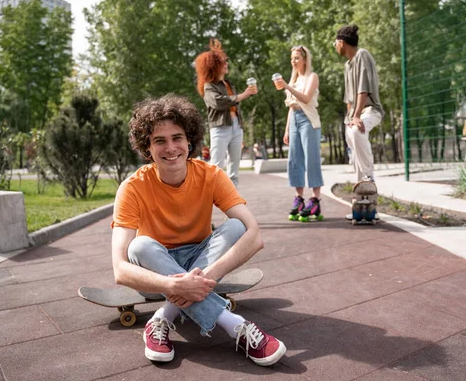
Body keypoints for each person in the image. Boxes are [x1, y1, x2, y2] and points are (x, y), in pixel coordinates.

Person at [111, 94, 286, 366]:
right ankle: (235, 325)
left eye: (177, 137)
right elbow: (120, 269)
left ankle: (163, 317)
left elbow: (255, 235)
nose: (171, 147)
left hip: (203, 262)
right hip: (156, 273)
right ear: (148, 148)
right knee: (140, 245)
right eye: (160, 140)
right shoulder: (132, 187)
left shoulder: (212, 175)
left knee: (236, 226)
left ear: (189, 140)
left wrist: (204, 278)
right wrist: (173, 284)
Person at [334, 25, 384, 220]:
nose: (335, 47)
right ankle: (361, 199)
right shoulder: (347, 65)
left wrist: (355, 117)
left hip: (371, 110)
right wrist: (350, 118)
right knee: (352, 136)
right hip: (355, 113)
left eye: (335, 43)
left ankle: (368, 177)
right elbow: (349, 99)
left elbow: (363, 91)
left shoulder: (363, 55)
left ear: (342, 42)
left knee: (356, 132)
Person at [194, 40, 257, 187]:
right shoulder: (209, 86)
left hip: (236, 126)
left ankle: (232, 196)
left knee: (234, 165)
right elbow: (218, 102)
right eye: (223, 62)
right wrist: (243, 95)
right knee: (216, 164)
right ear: (214, 66)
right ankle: (211, 194)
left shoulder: (228, 84)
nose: (226, 64)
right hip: (220, 127)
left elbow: (232, 103)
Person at [275, 45, 324, 220]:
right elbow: (291, 106)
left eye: (296, 58)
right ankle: (299, 199)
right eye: (292, 58)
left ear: (304, 59)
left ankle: (316, 200)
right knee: (294, 160)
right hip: (295, 119)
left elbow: (305, 98)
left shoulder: (312, 77)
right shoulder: (294, 79)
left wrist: (287, 86)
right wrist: (287, 129)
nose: (293, 61)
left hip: (308, 120)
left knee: (311, 160)